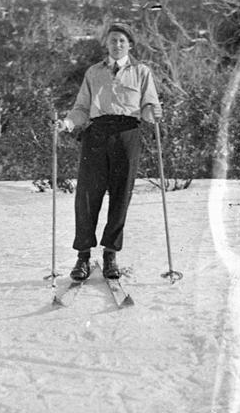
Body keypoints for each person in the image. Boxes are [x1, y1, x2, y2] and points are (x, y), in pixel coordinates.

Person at [57, 23, 162, 280]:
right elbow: (82, 108)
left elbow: (149, 105)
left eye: (122, 41)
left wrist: (152, 112)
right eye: (113, 40)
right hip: (97, 134)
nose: (117, 45)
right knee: (87, 195)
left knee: (121, 195)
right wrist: (67, 123)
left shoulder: (141, 72)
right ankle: (82, 256)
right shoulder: (94, 72)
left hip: (127, 134)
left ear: (130, 45)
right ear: (106, 43)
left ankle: (110, 254)